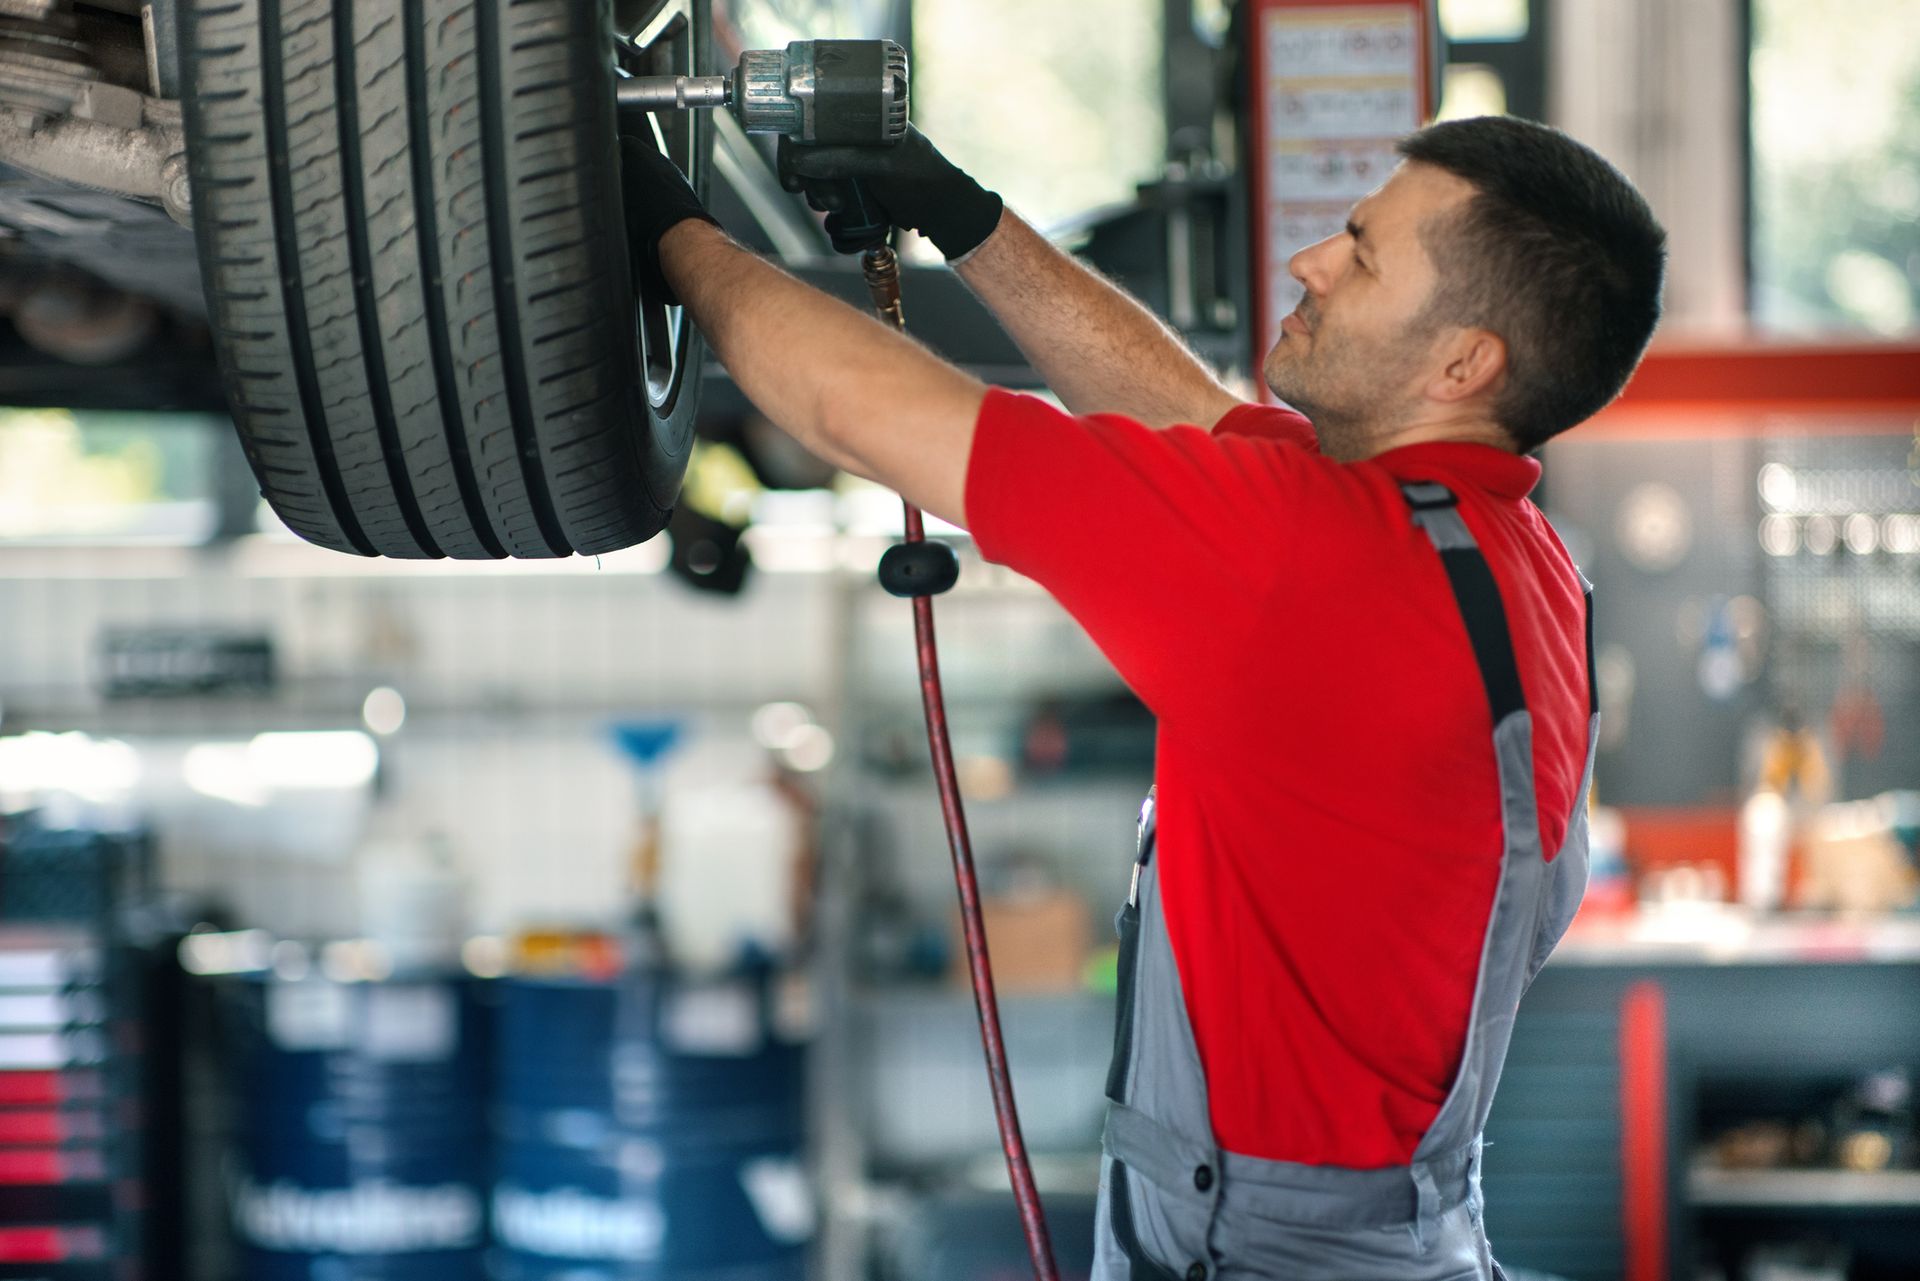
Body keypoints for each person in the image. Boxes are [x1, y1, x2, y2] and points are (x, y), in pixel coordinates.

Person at [622, 111, 1665, 1279]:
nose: (1312, 261)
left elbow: (846, 407)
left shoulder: (1303, 557)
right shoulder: (1514, 558)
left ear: (1464, 362)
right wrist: (966, 218)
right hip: (1412, 1237)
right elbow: (1178, 405)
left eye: (1362, 254)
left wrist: (662, 223)